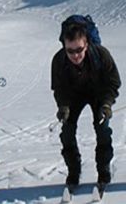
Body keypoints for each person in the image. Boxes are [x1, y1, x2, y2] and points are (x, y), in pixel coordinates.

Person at [51, 21, 121, 187]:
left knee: (102, 128)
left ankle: (103, 170)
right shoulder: (59, 61)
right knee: (67, 130)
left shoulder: (101, 55)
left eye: (79, 50)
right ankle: (73, 172)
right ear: (64, 46)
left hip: (98, 94)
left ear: (86, 44)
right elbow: (59, 89)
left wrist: (107, 104)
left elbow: (113, 82)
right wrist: (63, 106)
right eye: (70, 51)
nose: (75, 55)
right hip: (73, 96)